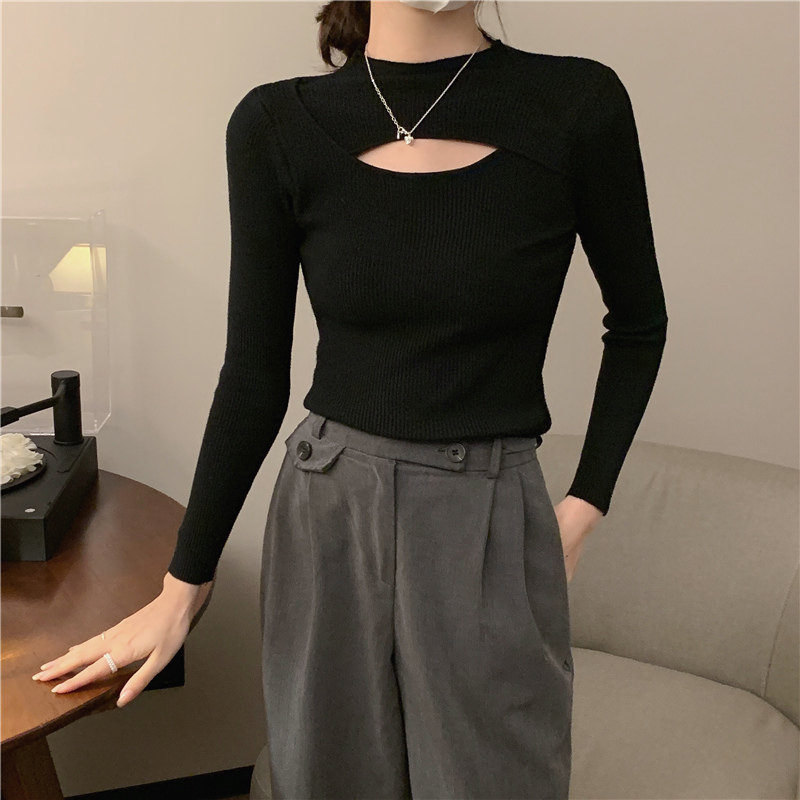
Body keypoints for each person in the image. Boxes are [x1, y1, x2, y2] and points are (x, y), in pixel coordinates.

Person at [32, 1, 669, 797]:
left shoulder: (575, 105)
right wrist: (181, 586)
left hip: (486, 511)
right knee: (327, 777)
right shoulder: (277, 125)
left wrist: (582, 506)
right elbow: (254, 377)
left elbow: (639, 323)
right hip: (328, 509)